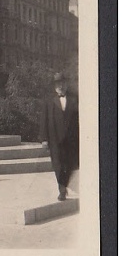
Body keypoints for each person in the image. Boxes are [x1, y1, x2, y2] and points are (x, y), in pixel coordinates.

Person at [39, 72, 79, 201]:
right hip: (54, 139)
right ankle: (62, 190)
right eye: (57, 84)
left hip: (71, 139)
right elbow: (44, 120)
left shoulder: (74, 99)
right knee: (58, 165)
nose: (60, 86)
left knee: (70, 165)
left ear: (66, 84)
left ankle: (65, 184)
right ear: (54, 86)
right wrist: (44, 139)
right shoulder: (49, 101)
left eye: (62, 83)